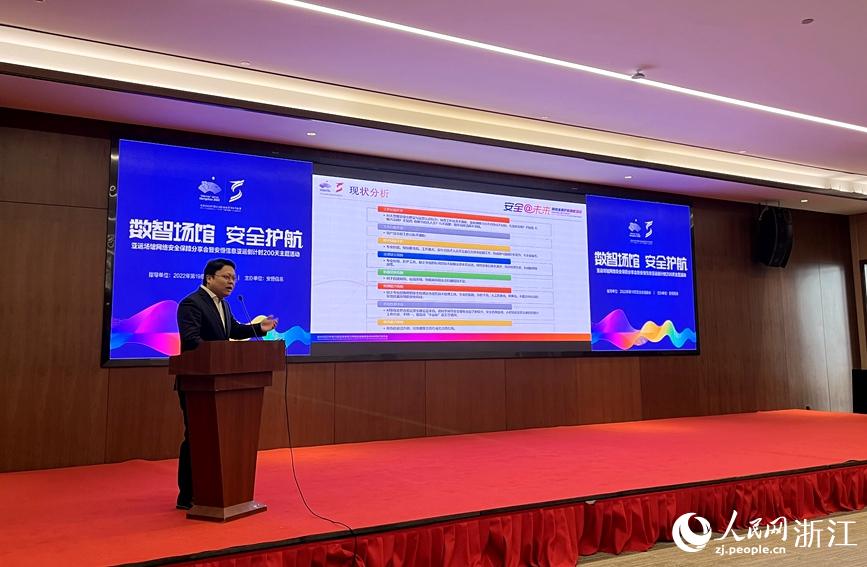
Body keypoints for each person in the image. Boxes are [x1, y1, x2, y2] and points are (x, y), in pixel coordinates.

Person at [174, 258, 277, 509]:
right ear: (209, 278)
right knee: (197, 437)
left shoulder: (224, 304)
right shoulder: (191, 303)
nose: (231, 282)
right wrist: (220, 354)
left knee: (220, 438)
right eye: (226, 277)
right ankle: (187, 495)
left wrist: (259, 329)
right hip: (198, 382)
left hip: (220, 382)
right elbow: (191, 340)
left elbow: (234, 331)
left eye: (234, 278)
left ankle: (215, 491)